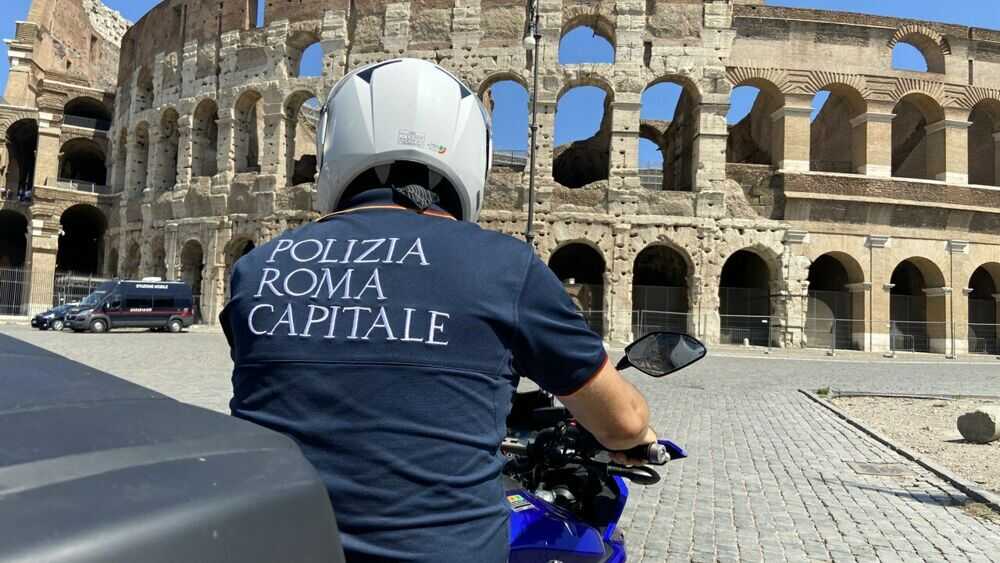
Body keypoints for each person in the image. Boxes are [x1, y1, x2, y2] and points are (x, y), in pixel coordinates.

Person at [220, 58, 656, 563]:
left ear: (333, 147)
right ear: (472, 152)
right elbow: (623, 422)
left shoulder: (257, 268)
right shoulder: (504, 267)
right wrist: (638, 437)